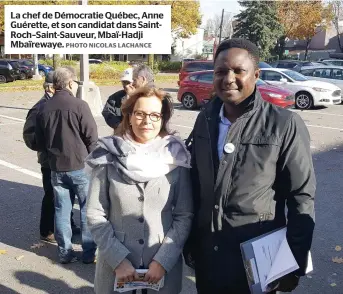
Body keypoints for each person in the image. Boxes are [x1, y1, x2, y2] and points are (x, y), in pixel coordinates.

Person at [184, 38, 316, 294]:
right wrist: (190, 242)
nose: (228, 78)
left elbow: (302, 197)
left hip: (257, 257)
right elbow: (196, 184)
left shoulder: (284, 124)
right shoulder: (205, 118)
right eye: (221, 71)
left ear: (255, 75)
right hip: (209, 254)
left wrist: (294, 262)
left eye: (238, 71)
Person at [86, 87, 193, 294]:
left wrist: (163, 261)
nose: (147, 121)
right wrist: (118, 260)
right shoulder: (108, 155)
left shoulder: (176, 157)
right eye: (140, 113)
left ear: (163, 118)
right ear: (129, 115)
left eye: (154, 115)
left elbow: (184, 215)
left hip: (162, 271)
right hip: (115, 270)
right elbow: (95, 213)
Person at [35, 67, 98, 264]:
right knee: (87, 209)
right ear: (70, 83)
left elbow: (38, 141)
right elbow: (92, 138)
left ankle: (65, 252)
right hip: (80, 165)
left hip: (56, 167)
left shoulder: (43, 108)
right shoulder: (80, 105)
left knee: (62, 209)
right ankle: (88, 253)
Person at [22, 72, 80, 244]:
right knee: (51, 195)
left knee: (67, 195)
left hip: (65, 159)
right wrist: (48, 146)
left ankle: (68, 223)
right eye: (58, 86)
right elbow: (29, 136)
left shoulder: (61, 104)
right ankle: (46, 230)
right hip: (49, 161)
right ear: (49, 87)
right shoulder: (40, 107)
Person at [102, 64, 156, 129]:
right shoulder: (116, 97)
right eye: (124, 82)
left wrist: (131, 98)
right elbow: (107, 112)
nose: (126, 86)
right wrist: (118, 125)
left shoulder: (151, 97)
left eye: (129, 82)